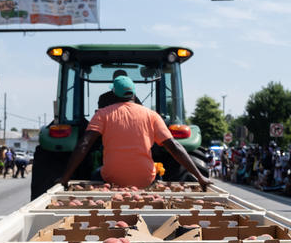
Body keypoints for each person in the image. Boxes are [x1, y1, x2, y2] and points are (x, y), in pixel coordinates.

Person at [60, 75, 211, 191]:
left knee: (96, 174)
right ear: (133, 93)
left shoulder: (102, 114)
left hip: (112, 178)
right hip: (146, 179)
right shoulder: (151, 115)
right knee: (158, 172)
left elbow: (84, 144)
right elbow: (174, 146)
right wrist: (200, 178)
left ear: (114, 94)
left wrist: (65, 178)